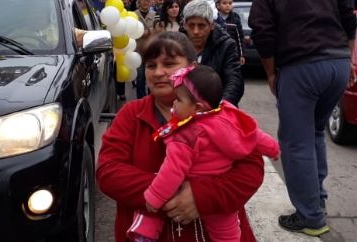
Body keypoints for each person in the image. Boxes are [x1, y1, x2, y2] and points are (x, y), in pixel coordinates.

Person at [97, 32, 264, 242]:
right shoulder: (131, 115)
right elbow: (108, 173)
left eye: (169, 64)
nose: (158, 72)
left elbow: (251, 168)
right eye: (151, 66)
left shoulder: (221, 112)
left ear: (192, 67)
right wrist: (169, 190)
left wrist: (201, 196)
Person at [248, 0, 357, 237]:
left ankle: (310, 217)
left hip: (301, 68)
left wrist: (270, 74)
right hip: (337, 64)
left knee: (295, 143)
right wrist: (346, 57)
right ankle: (317, 200)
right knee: (315, 133)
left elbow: (263, 33)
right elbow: (350, 19)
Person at [128, 64, 280, 242]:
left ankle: (145, 233)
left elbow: (172, 170)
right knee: (227, 233)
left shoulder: (186, 135)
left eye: (178, 100)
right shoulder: (227, 112)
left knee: (154, 208)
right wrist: (273, 149)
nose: (174, 103)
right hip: (219, 189)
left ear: (197, 107)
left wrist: (153, 197)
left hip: (191, 182)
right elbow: (254, 135)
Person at [181, 0, 244, 105]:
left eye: (201, 26)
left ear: (211, 25)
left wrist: (222, 107)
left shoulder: (226, 45)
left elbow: (234, 80)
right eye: (191, 25)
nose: (196, 31)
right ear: (184, 25)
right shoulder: (176, 44)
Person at [134, 0, 157, 100]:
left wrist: (150, 31)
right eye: (143, 0)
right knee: (140, 78)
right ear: (139, 2)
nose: (145, 2)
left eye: (147, 0)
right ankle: (141, 100)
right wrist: (140, 33)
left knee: (152, 77)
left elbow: (158, 29)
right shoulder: (134, 14)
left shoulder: (154, 14)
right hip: (138, 50)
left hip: (152, 50)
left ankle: (152, 99)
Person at [216, 0, 244, 65]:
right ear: (218, 5)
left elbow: (239, 38)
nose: (228, 5)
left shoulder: (235, 19)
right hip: (217, 52)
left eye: (230, 3)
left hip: (232, 53)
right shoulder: (215, 19)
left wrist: (241, 55)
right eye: (224, 3)